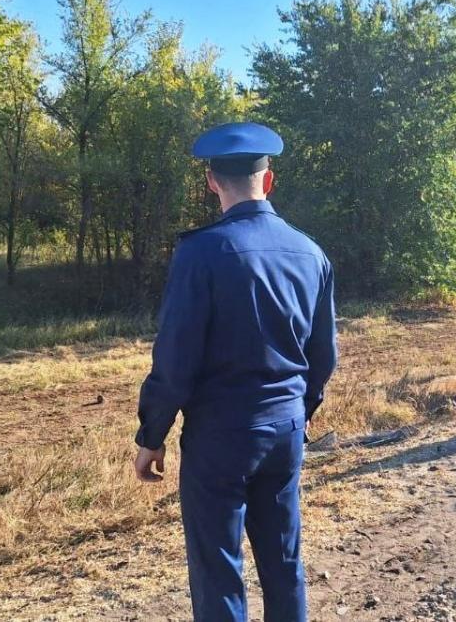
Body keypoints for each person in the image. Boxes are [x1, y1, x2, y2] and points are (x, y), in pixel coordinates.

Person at [132, 122, 337, 622]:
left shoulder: (200, 253)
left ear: (211, 182)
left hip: (220, 436)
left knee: (218, 568)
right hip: (286, 430)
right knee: (284, 560)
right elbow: (323, 354)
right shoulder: (311, 253)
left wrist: (152, 434)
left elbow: (176, 357)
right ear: (269, 181)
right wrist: (301, 412)